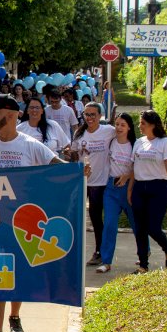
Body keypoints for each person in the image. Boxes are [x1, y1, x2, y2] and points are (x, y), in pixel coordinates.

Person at [0, 94, 73, 332]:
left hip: (23, 226)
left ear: (11, 115)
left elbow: (59, 167)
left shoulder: (31, 145)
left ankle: (15, 316)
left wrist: (79, 171)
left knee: (18, 275)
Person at [128, 110, 167, 273]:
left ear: (152, 125)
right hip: (139, 188)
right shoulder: (139, 142)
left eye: (143, 123)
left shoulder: (165, 143)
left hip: (158, 188)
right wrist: (130, 190)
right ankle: (143, 265)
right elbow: (134, 168)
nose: (140, 126)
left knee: (153, 227)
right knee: (140, 228)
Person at [69, 103, 115, 266]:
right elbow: (74, 156)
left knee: (96, 218)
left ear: (100, 116)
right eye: (86, 114)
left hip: (101, 182)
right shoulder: (79, 133)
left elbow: (124, 138)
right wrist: (70, 154)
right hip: (83, 182)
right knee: (78, 217)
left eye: (92, 114)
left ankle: (100, 252)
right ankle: (74, 252)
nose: (89, 118)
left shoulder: (108, 131)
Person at [96, 113, 138, 273]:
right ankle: (106, 261)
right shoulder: (111, 142)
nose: (119, 128)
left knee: (136, 223)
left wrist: (127, 176)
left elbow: (140, 166)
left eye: (123, 125)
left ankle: (144, 253)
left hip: (130, 189)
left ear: (129, 127)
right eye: (117, 124)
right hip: (111, 189)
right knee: (109, 224)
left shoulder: (135, 144)